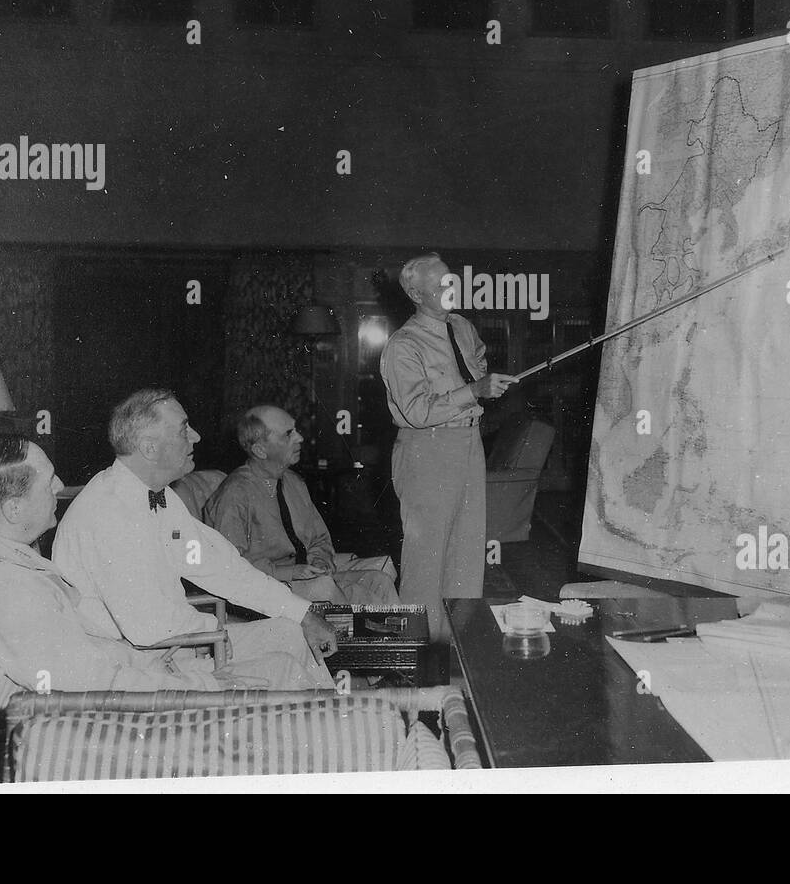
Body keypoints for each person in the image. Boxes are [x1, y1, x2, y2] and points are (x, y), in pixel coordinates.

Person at [0, 435, 222, 737]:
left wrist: (167, 668)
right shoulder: (5, 588)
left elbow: (80, 656)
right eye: (47, 482)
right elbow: (90, 683)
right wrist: (201, 686)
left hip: (63, 714)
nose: (59, 486)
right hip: (59, 737)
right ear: (13, 509)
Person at [51, 388, 337, 691]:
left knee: (291, 632)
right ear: (149, 448)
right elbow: (148, 627)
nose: (197, 437)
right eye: (184, 429)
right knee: (284, 670)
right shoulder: (107, 512)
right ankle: (334, 725)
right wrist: (216, 630)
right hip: (139, 667)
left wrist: (303, 613)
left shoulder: (158, 497)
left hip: (177, 647)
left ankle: (341, 723)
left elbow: (224, 569)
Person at [379, 252, 517, 639]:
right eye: (440, 285)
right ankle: (418, 657)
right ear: (415, 293)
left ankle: (456, 653)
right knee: (426, 563)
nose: (451, 289)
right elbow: (417, 411)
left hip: (468, 443)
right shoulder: (403, 346)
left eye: (452, 281)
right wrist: (473, 390)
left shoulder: (462, 327)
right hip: (427, 450)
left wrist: (485, 386)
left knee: (467, 556)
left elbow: (475, 365)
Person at [204, 404, 399, 605]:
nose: (300, 438)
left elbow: (319, 539)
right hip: (262, 589)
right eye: (288, 434)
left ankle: (392, 635)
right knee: (324, 589)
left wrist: (320, 560)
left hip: (303, 577)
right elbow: (229, 567)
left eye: (296, 430)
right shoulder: (234, 494)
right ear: (260, 450)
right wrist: (290, 572)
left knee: (380, 581)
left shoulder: (293, 482)